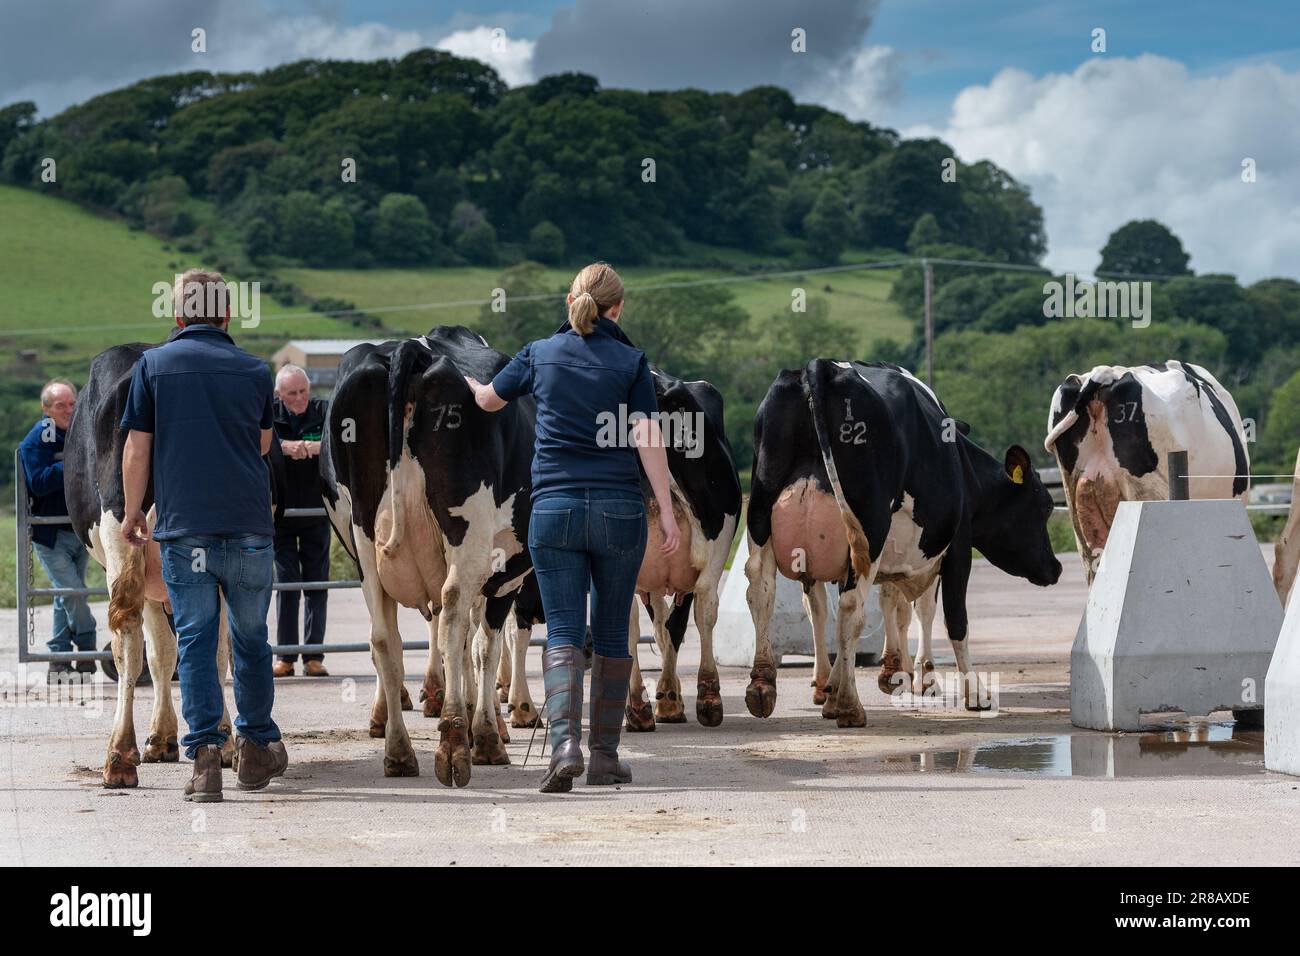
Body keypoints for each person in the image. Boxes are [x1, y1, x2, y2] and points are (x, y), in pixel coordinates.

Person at [466, 262, 680, 794]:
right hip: (619, 511)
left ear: (570, 301)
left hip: (554, 509)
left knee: (561, 630)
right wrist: (668, 511)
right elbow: (648, 435)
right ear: (618, 308)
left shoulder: (538, 353)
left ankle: (564, 748)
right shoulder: (631, 361)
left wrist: (472, 386)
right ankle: (605, 756)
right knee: (611, 632)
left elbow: (491, 400)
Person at [119, 268, 287, 803]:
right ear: (227, 315)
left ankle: (205, 759)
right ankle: (257, 745)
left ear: (177, 314)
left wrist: (130, 514)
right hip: (248, 528)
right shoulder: (256, 370)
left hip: (184, 530)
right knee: (251, 638)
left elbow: (136, 449)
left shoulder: (153, 367)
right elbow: (262, 444)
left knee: (193, 640)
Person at [19, 379, 98, 682]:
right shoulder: (40, 437)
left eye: (73, 403)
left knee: (64, 596)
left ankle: (59, 659)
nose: (69, 409)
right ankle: (88, 642)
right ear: (46, 409)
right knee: (72, 592)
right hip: (49, 534)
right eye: (60, 405)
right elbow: (37, 481)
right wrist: (72, 463)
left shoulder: (81, 433)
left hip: (80, 531)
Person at [270, 364, 331, 678]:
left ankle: (313, 656)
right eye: (291, 393)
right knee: (288, 583)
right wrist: (284, 447)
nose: (299, 398)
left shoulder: (324, 410)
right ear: (279, 394)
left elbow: (343, 441)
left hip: (317, 511)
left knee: (317, 583)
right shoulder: (269, 413)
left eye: (303, 391)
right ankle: (285, 656)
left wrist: (314, 447)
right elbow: (259, 443)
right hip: (280, 513)